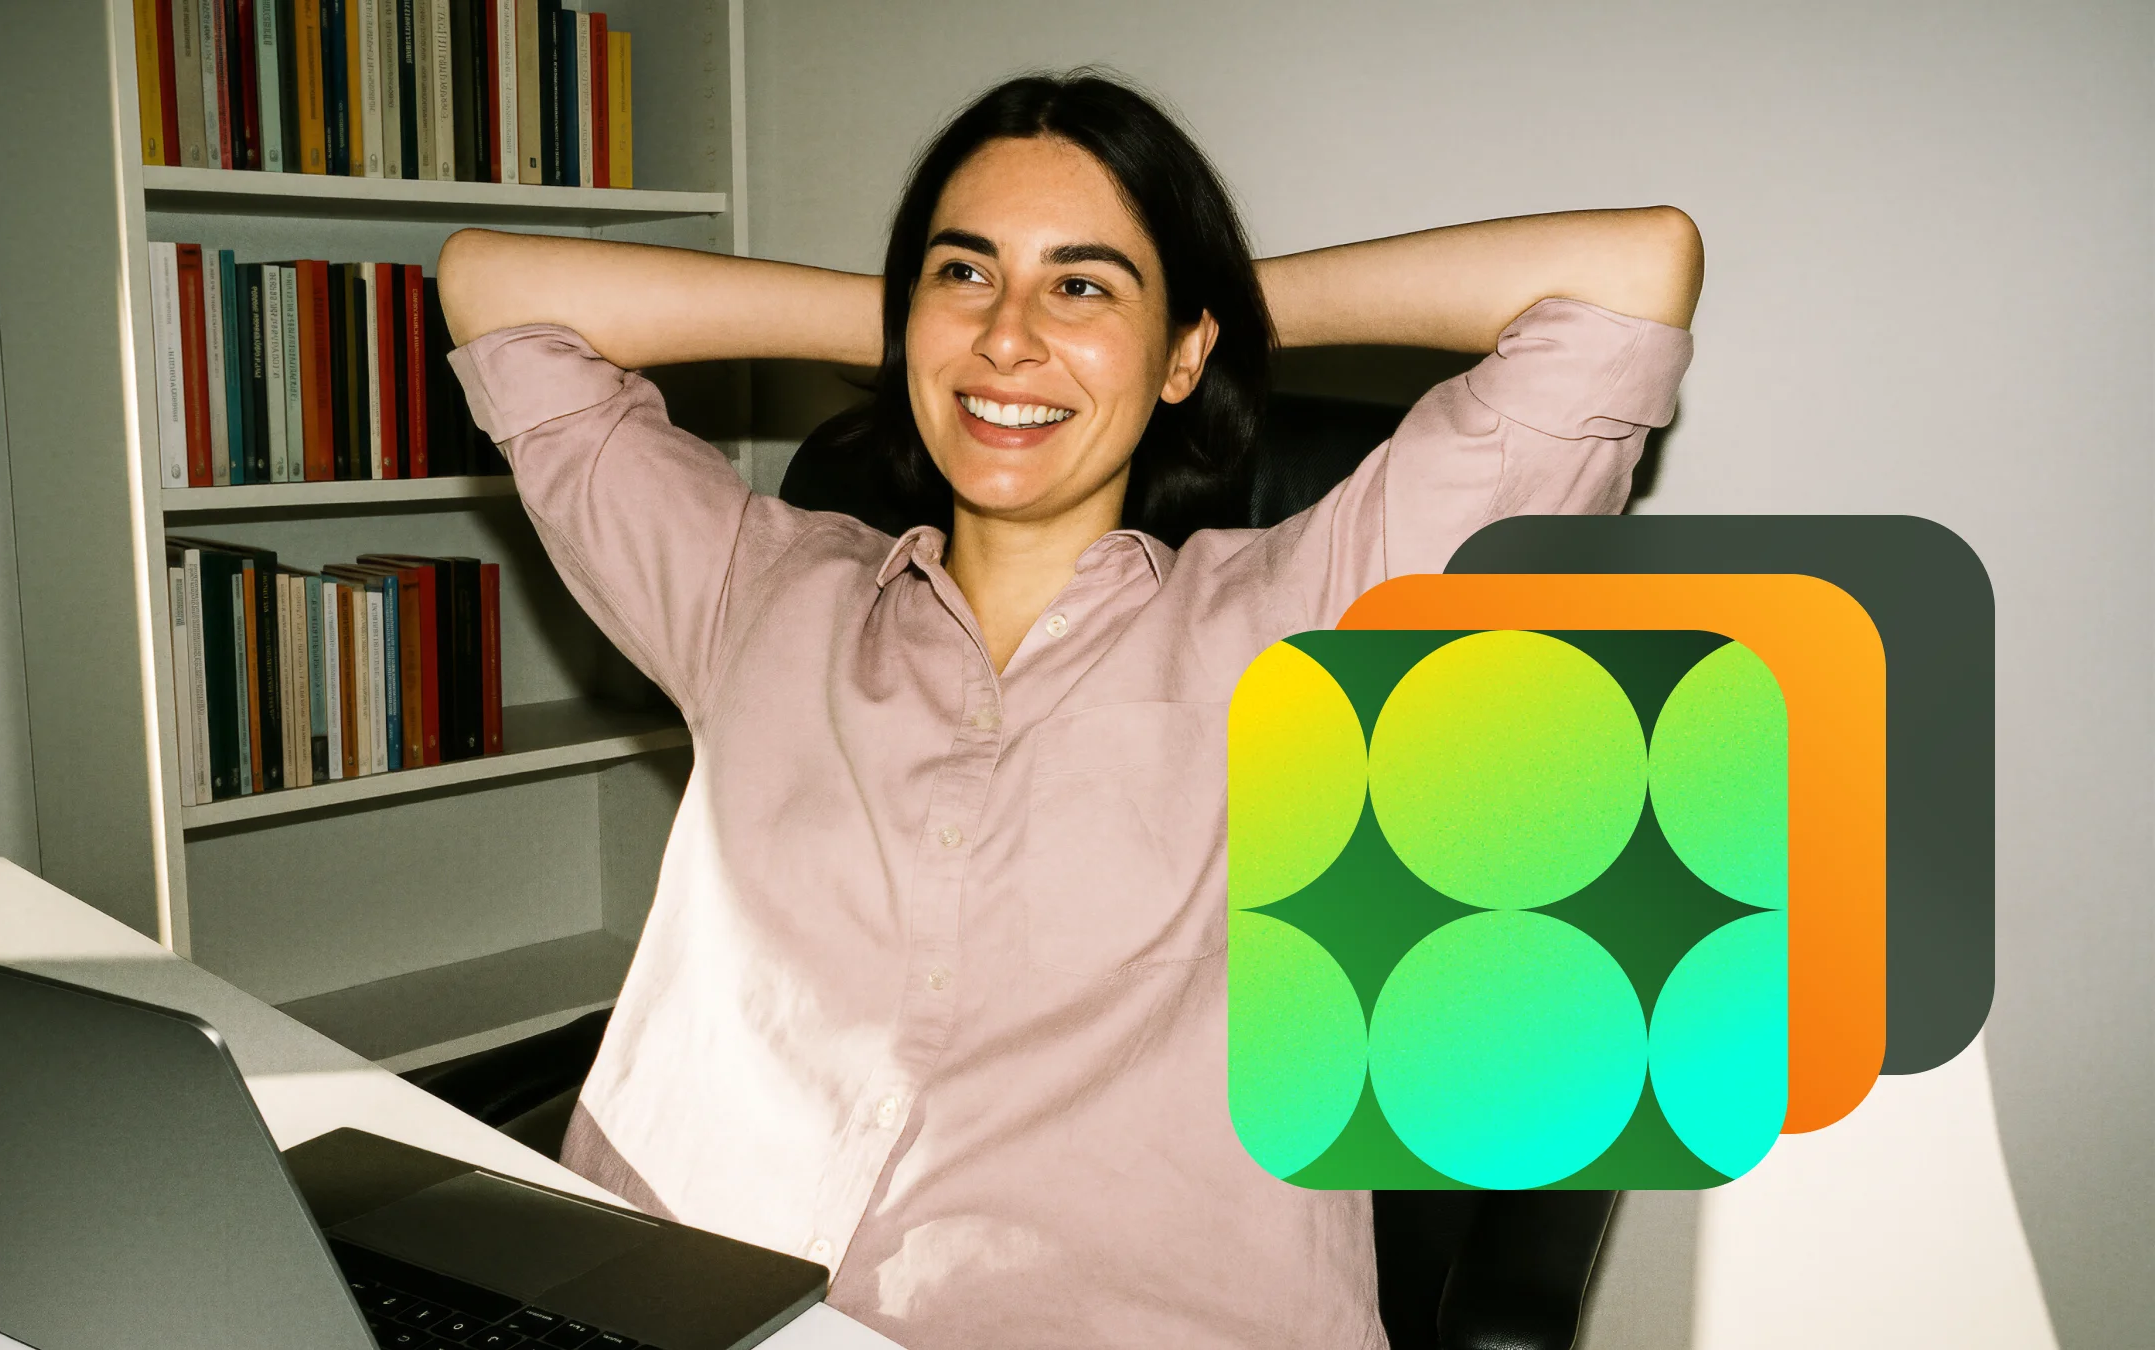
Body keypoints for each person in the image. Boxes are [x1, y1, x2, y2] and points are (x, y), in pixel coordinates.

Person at [437, 71, 1699, 1350]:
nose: (1010, 338)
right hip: (654, 1296)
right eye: (964, 272)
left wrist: (1191, 320)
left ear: (1185, 355)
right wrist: (922, 326)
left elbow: (1631, 276)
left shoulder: (1304, 616)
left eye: (1083, 283)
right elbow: (495, 291)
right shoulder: (756, 588)